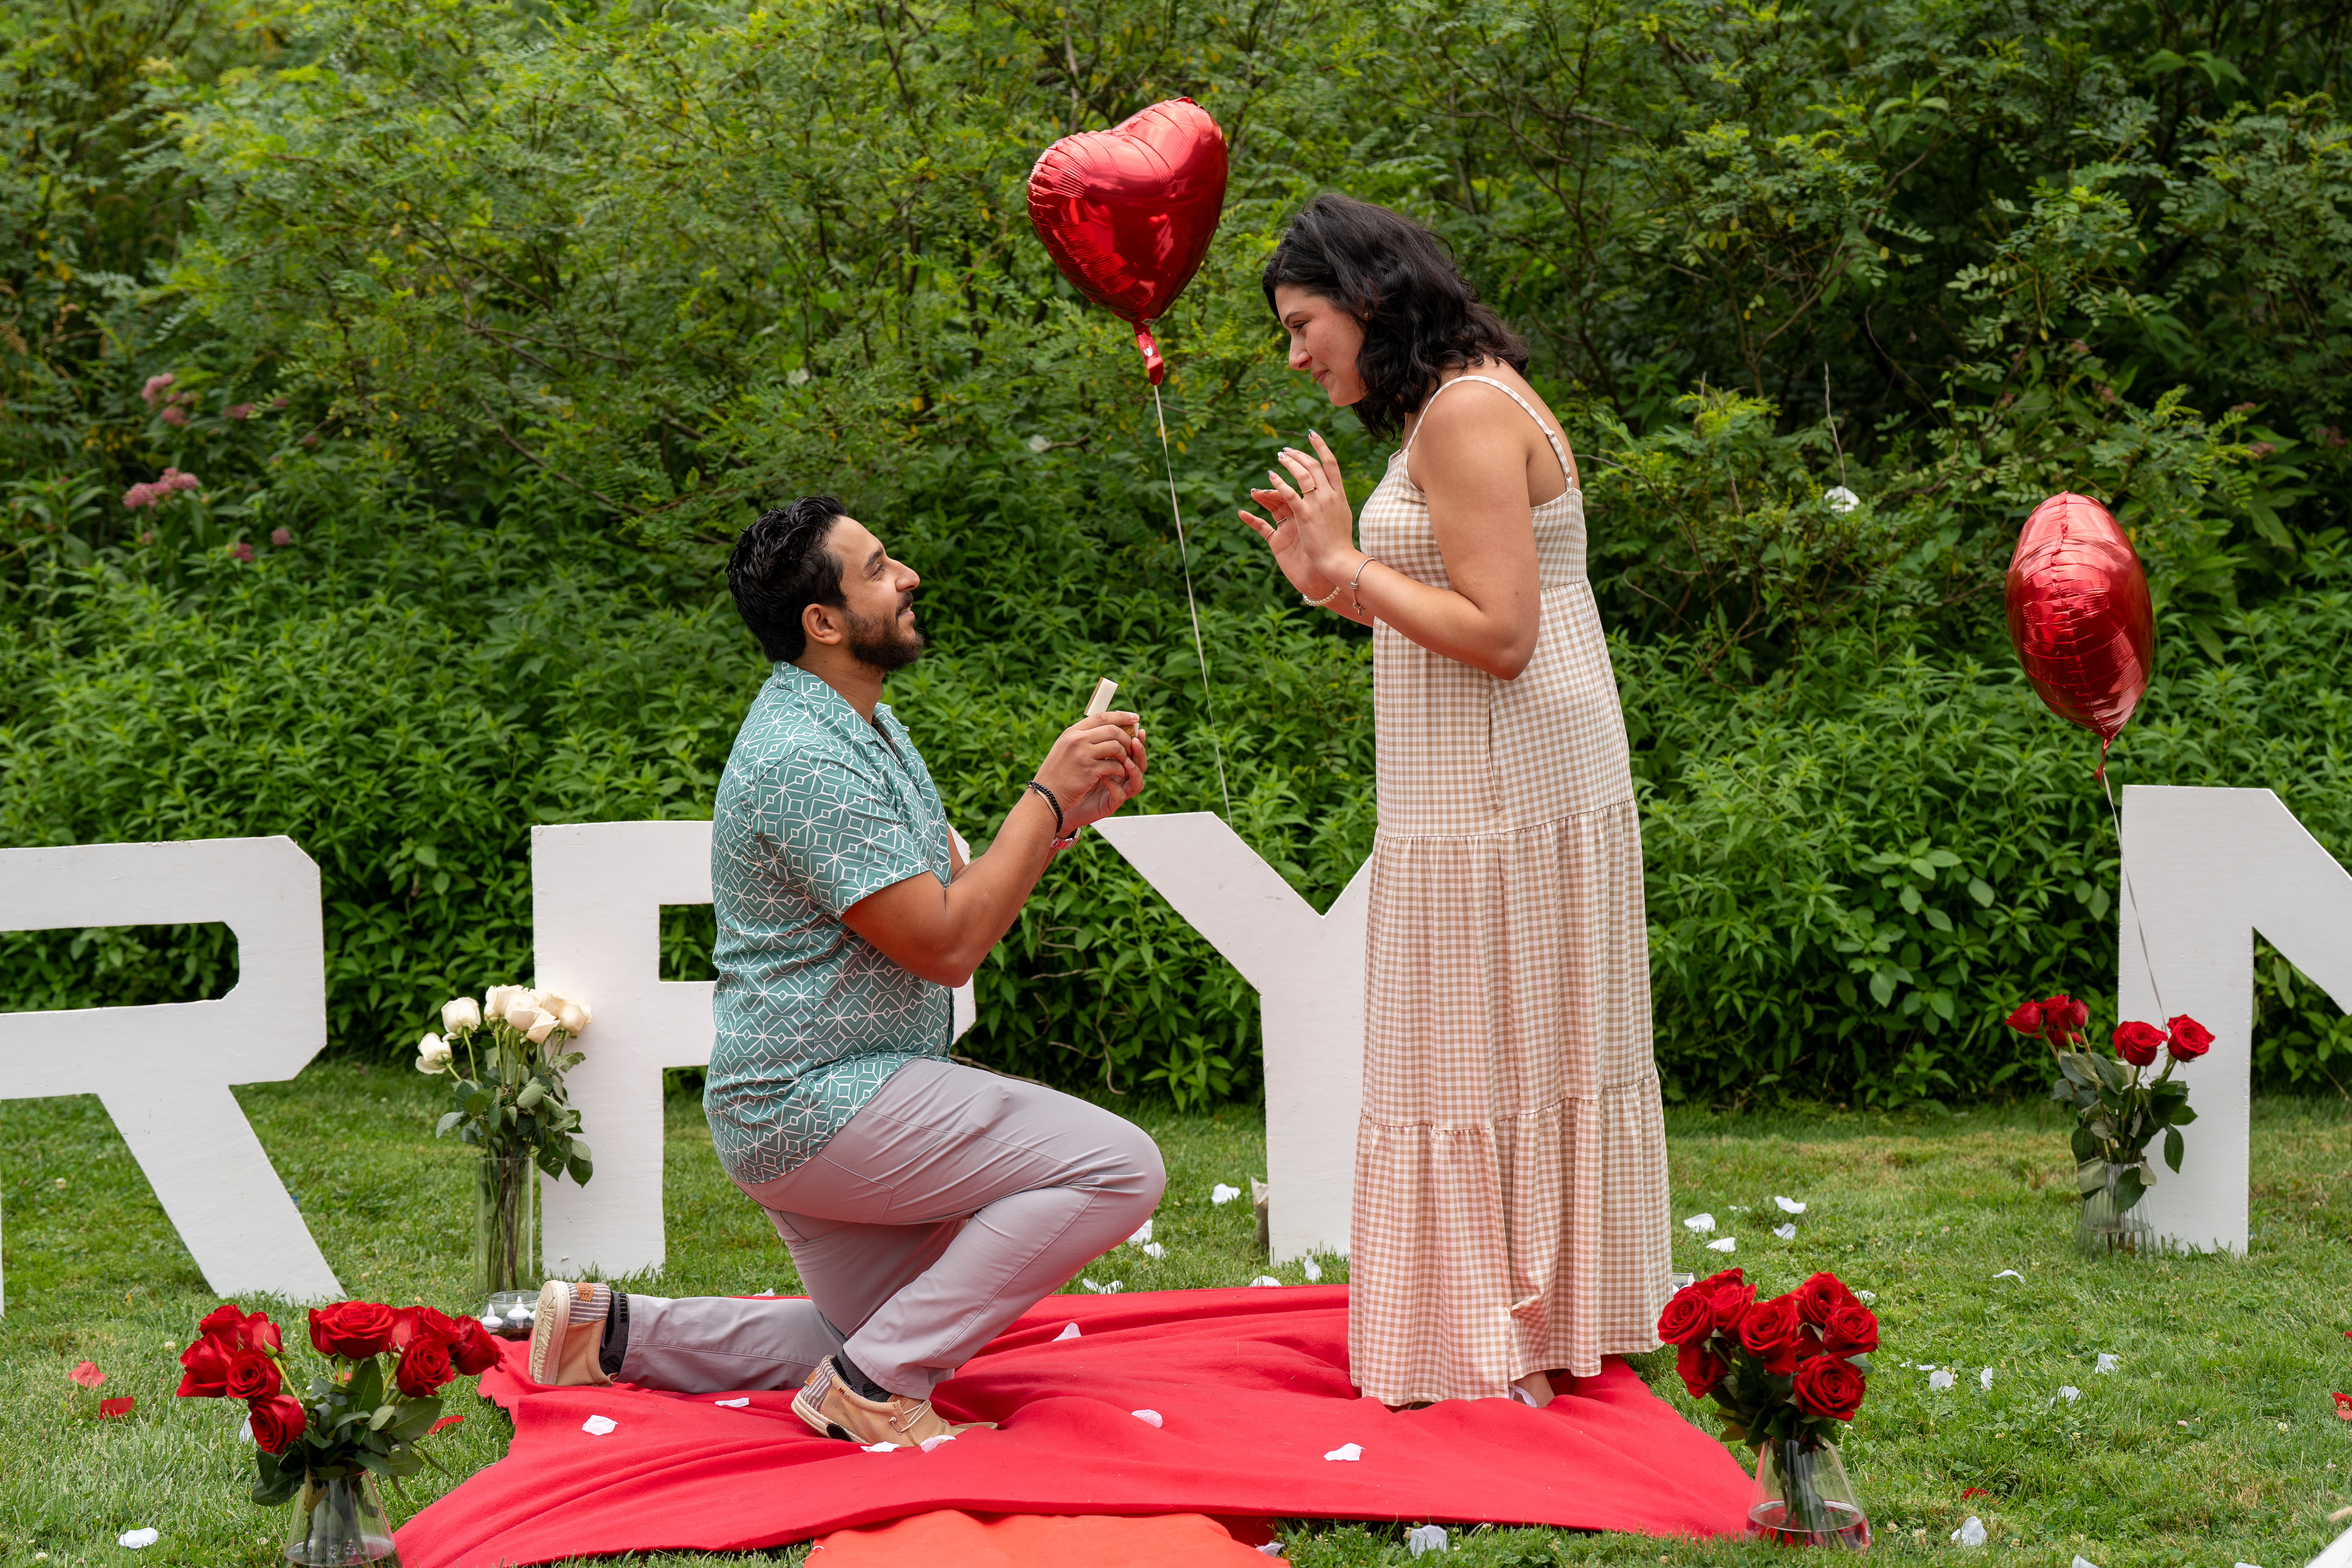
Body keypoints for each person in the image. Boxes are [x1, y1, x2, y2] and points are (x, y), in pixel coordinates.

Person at [528, 495, 1162, 1448]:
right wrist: (1043, 794)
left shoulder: (863, 726)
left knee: (868, 1329)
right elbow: (948, 949)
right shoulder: (804, 759)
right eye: (877, 568)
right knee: (1120, 1168)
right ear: (822, 623)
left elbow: (953, 893)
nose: (907, 576)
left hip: (804, 1104)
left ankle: (610, 1333)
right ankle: (869, 1392)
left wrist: (1063, 818)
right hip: (819, 1102)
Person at [1235, 195, 1670, 1409]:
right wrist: (1335, 588)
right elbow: (1453, 608)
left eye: (1303, 322)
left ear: (1370, 300)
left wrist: (1348, 566)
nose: (1296, 352)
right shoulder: (1446, 407)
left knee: (1475, 1053)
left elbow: (1503, 634)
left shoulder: (1466, 412)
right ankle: (1524, 1322)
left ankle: (1498, 1334)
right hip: (1482, 779)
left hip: (1503, 788)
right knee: (1492, 1047)